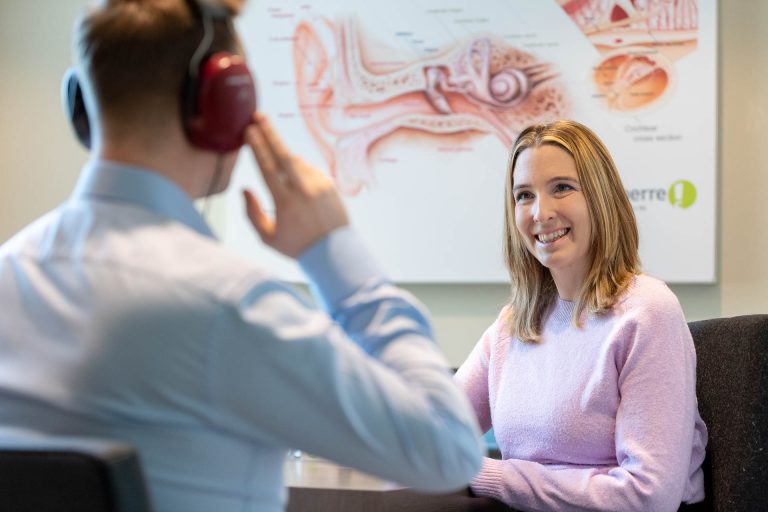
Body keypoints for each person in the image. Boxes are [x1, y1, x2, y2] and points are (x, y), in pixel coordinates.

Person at [0, 1, 483, 511]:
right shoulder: (226, 305)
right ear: (221, 103)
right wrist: (335, 258)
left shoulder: (10, 271)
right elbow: (447, 450)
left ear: (81, 104)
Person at [455, 120, 708, 511]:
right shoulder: (513, 323)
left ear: (600, 197)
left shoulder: (646, 311)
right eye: (524, 195)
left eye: (562, 188)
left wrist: (494, 476)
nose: (541, 212)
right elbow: (432, 432)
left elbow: (649, 496)